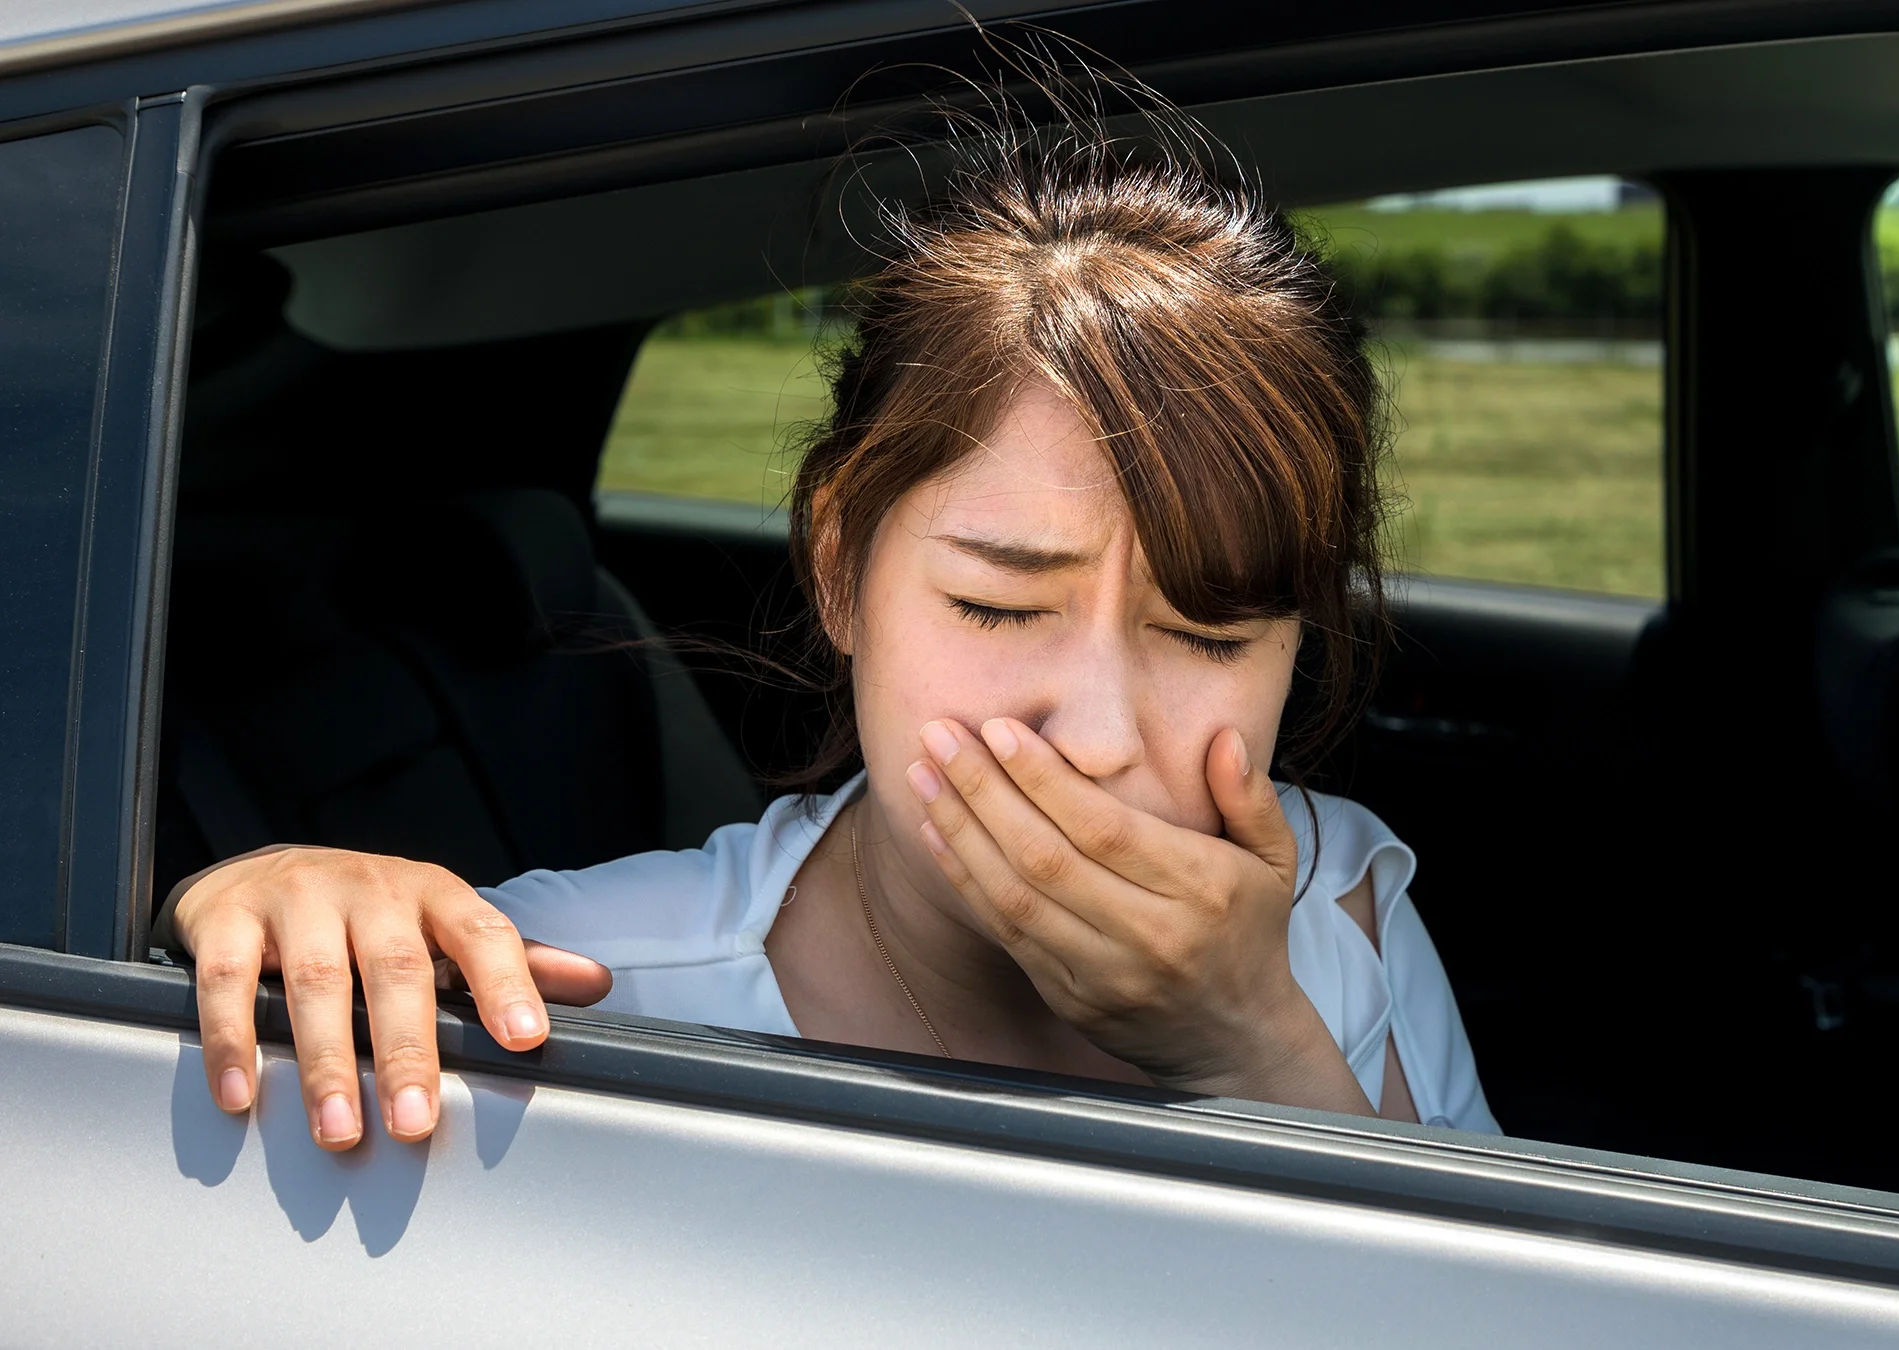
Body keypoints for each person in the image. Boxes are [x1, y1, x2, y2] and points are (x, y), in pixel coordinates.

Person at [160, 73, 1497, 1153]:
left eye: (1211, 634)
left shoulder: (1342, 911)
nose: (1098, 733)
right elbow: (333, 993)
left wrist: (1258, 1044)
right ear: (840, 564)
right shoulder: (582, 988)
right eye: (997, 602)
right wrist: (259, 902)